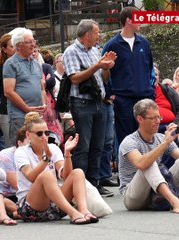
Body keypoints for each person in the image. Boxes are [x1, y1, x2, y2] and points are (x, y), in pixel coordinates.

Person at [118, 99, 179, 213]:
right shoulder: (129, 141)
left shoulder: (160, 137)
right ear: (140, 119)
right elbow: (141, 163)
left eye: (159, 117)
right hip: (134, 197)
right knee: (149, 164)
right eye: (153, 118)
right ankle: (175, 202)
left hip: (157, 191)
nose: (158, 121)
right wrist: (165, 144)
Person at [62, 19, 116, 197]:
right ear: (87, 35)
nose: (99, 35)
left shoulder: (95, 51)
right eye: (96, 32)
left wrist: (107, 67)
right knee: (83, 145)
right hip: (82, 103)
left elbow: (104, 79)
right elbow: (75, 78)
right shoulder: (71, 51)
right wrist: (97, 66)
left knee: (98, 145)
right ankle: (80, 184)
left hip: (98, 101)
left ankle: (94, 183)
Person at [14, 112, 98, 224]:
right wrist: (46, 159)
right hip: (31, 208)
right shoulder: (21, 152)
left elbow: (65, 176)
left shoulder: (53, 148)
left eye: (47, 132)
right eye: (39, 133)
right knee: (46, 175)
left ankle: (84, 211)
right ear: (28, 135)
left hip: (55, 205)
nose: (44, 136)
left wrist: (67, 154)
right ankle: (73, 213)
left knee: (77, 172)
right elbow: (31, 177)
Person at [102, 6, 155, 146]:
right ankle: (127, 168)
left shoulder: (144, 43)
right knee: (126, 140)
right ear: (128, 20)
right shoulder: (111, 45)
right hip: (123, 101)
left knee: (148, 137)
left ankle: (148, 167)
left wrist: (150, 89)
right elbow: (103, 71)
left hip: (145, 98)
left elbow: (150, 69)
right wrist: (110, 94)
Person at [3, 27, 46, 144]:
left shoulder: (36, 64)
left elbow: (41, 87)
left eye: (33, 41)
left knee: (37, 147)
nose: (33, 45)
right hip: (19, 116)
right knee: (21, 148)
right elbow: (8, 91)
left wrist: (44, 104)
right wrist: (27, 109)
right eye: (29, 42)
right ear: (18, 46)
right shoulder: (11, 63)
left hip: (36, 116)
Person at [0, 127, 29, 214]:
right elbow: (16, 185)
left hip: (21, 193)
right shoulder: (6, 156)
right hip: (4, 194)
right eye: (29, 143)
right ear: (20, 143)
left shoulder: (35, 153)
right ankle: (18, 211)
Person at [154, 66, 179, 133]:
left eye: (156, 75)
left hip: (172, 126)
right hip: (153, 128)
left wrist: (175, 123)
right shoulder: (141, 92)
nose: (154, 77)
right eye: (151, 75)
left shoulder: (168, 90)